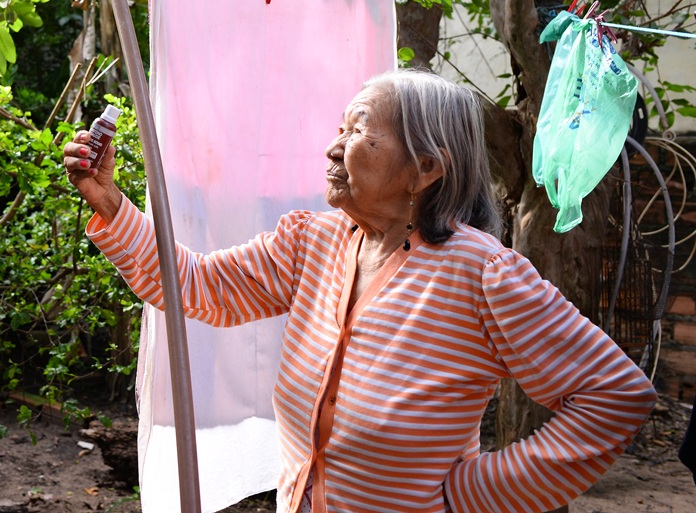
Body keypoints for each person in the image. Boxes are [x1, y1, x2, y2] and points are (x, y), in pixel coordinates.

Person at [62, 69, 657, 513]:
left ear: (426, 168)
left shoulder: (483, 275)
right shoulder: (313, 242)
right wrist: (111, 203)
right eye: (339, 128)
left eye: (356, 131)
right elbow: (196, 286)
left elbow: (615, 396)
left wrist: (469, 493)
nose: (331, 146)